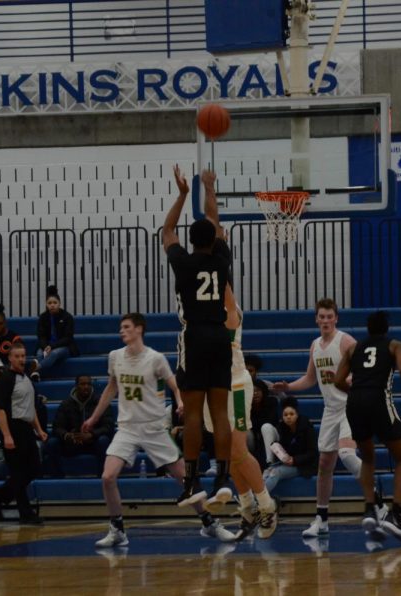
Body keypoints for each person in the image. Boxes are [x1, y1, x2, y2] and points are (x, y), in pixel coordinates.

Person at [82, 313, 234, 547]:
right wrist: (93, 417)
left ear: (139, 329)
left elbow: (175, 385)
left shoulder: (155, 359)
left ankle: (210, 523)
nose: (121, 331)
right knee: (107, 476)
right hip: (127, 427)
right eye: (121, 327)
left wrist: (181, 402)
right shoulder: (115, 357)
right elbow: (111, 389)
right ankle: (117, 529)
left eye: (126, 327)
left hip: (153, 427)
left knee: (185, 480)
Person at [162, 165, 233, 509]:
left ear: (191, 241)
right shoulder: (222, 260)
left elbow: (167, 230)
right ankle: (223, 478)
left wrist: (182, 194)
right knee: (219, 412)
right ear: (214, 240)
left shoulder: (181, 262)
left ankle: (191, 482)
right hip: (221, 337)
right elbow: (214, 219)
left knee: (192, 414)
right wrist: (209, 187)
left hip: (194, 337)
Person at [272, 298, 364, 537]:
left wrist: (350, 381)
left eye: (329, 316)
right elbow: (310, 378)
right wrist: (288, 387)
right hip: (330, 409)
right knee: (324, 465)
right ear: (316, 319)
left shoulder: (346, 341)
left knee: (346, 454)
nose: (325, 320)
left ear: (336, 318)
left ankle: (378, 501)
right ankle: (321, 519)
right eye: (321, 317)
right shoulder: (315, 345)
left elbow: (364, 370)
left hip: (350, 406)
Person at [335, 310, 401, 544]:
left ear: (368, 329)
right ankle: (396, 514)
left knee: (368, 458)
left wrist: (356, 393)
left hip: (354, 403)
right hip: (379, 401)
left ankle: (369, 508)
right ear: (387, 328)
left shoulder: (354, 348)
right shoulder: (395, 345)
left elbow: (337, 380)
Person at [206, 282, 279, 539]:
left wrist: (217, 255)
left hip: (235, 384)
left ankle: (267, 506)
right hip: (213, 388)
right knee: (227, 453)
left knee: (238, 450)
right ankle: (247, 506)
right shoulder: (199, 313)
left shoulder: (229, 308)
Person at [0, 341, 47, 525]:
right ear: (10, 358)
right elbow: (0, 409)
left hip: (26, 428)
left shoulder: (25, 377)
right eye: (17, 356)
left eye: (23, 356)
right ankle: (22, 512)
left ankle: (0, 498)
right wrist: (7, 435)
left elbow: (31, 407)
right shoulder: (6, 378)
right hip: (12, 428)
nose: (21, 359)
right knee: (20, 472)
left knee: (32, 469)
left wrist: (39, 429)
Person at [47, 375, 116, 476]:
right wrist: (67, 435)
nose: (86, 387)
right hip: (72, 443)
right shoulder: (66, 404)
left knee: (104, 441)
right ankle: (57, 478)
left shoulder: (100, 403)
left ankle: (102, 477)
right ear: (76, 386)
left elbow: (109, 426)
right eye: (83, 384)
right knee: (52, 443)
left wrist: (92, 434)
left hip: (93, 442)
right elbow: (57, 427)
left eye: (88, 384)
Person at [262, 397, 318, 493]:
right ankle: (260, 501)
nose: (288, 417)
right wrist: (281, 455)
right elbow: (283, 451)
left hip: (304, 465)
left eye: (291, 414)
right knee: (267, 473)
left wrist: (294, 460)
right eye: (285, 415)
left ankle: (256, 502)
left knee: (276, 472)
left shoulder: (307, 427)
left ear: (297, 415)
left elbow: (312, 453)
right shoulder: (282, 428)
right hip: (287, 463)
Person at [32, 285, 79, 381]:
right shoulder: (43, 317)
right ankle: (36, 374)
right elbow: (41, 336)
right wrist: (45, 346)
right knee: (40, 353)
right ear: (46, 304)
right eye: (49, 303)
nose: (52, 305)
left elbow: (68, 338)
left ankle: (35, 368)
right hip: (47, 346)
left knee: (54, 353)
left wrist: (52, 346)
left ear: (59, 303)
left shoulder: (67, 317)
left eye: (55, 302)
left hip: (64, 347)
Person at [250, 378, 279, 470]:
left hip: (273, 437)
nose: (255, 393)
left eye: (257, 390)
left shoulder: (272, 402)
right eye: (252, 391)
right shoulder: (245, 406)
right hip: (254, 440)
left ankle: (270, 462)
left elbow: (272, 421)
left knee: (266, 427)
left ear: (263, 391)